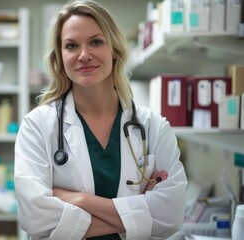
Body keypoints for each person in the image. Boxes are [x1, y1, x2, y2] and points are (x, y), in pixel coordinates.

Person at [14, 0, 188, 239]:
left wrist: (79, 200)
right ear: (60, 57)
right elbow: (36, 219)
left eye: (96, 42)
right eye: (71, 46)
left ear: (114, 49)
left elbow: (170, 215)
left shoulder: (153, 126)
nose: (84, 55)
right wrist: (142, 213)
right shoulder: (38, 126)